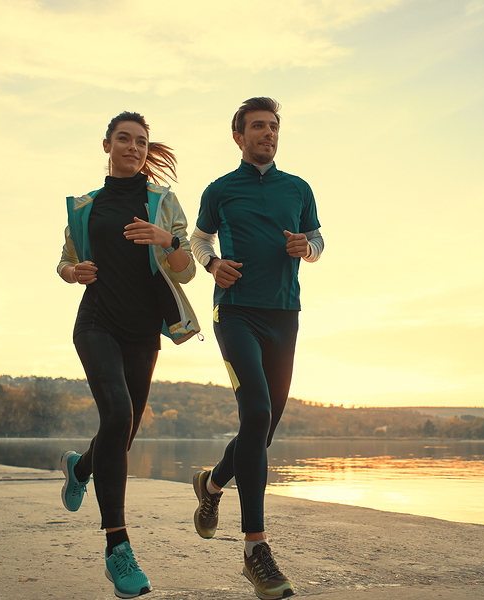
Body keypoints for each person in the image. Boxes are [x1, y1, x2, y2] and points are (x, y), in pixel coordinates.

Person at [56, 111, 199, 598]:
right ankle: (118, 548)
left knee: (125, 430)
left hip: (143, 330)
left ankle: (80, 468)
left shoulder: (162, 203)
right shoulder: (85, 205)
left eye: (141, 141)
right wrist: (74, 274)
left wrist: (169, 239)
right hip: (96, 322)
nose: (134, 147)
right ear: (107, 145)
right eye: (125, 139)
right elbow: (66, 261)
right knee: (116, 413)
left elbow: (185, 271)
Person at [189, 97, 324, 600]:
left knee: (262, 427)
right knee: (257, 413)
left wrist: (305, 249)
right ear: (238, 136)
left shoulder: (299, 188)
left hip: (284, 315)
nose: (268, 133)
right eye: (258, 127)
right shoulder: (221, 189)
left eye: (273, 127)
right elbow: (200, 241)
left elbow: (318, 239)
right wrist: (212, 263)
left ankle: (213, 485)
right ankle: (255, 550)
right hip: (236, 311)